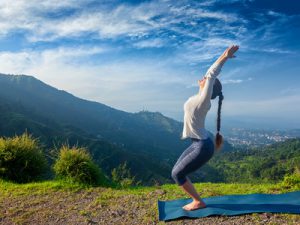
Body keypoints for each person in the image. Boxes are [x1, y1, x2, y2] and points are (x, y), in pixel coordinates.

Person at [171, 45, 239, 211]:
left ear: (210, 88)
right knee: (176, 172)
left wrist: (224, 57)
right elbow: (207, 78)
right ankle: (196, 199)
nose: (202, 78)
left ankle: (198, 201)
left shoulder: (204, 101)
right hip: (198, 143)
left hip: (203, 146)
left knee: (177, 174)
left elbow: (211, 73)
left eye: (207, 81)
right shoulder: (198, 98)